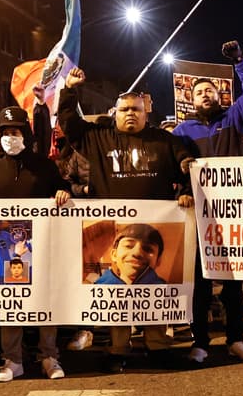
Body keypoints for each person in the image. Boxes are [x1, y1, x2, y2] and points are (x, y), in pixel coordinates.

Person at [58, 66, 195, 372]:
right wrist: (69, 90)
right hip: (117, 230)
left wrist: (186, 192)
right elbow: (68, 123)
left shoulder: (165, 140)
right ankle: (118, 349)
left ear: (146, 113)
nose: (130, 114)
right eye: (124, 110)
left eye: (136, 109)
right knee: (118, 292)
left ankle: (158, 347)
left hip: (157, 228)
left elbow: (187, 167)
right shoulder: (97, 138)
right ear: (115, 113)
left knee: (154, 291)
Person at [173, 40, 243, 363]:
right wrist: (182, 192)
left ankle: (235, 339)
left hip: (231, 213)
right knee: (200, 283)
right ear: (191, 99)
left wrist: (240, 62)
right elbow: (176, 165)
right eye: (199, 92)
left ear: (220, 95)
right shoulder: (183, 131)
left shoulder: (234, 119)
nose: (205, 95)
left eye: (210, 91)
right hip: (199, 214)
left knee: (232, 283)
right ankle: (200, 341)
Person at [0, 105, 71, 383]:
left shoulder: (44, 166)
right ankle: (13, 360)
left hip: (43, 246)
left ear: (25, 135)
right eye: (5, 132)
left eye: (15, 132)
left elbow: (63, 186)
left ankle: (49, 357)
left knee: (46, 299)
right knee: (12, 302)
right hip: (9, 250)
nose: (10, 137)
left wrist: (63, 192)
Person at [94, 224, 167, 285]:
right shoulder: (97, 289)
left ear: (158, 260)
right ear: (114, 255)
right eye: (128, 246)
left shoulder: (167, 292)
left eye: (148, 249)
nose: (137, 253)